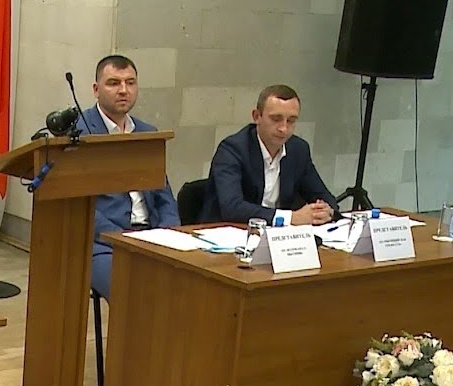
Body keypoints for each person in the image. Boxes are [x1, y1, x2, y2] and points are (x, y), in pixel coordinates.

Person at [78, 55, 180, 299]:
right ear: (96, 90)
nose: (123, 90)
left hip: (151, 237)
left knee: (193, 284)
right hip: (103, 244)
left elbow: (164, 196)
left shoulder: (147, 132)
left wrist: (168, 234)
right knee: (136, 291)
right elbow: (82, 207)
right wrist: (125, 240)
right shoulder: (80, 133)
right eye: (114, 83)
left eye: (130, 83)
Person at [201, 84, 335, 226]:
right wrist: (290, 218)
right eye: (276, 119)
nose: (284, 128)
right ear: (256, 116)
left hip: (278, 236)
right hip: (228, 233)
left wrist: (325, 211)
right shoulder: (232, 150)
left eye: (291, 120)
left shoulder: (298, 150)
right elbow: (232, 209)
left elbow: (325, 198)